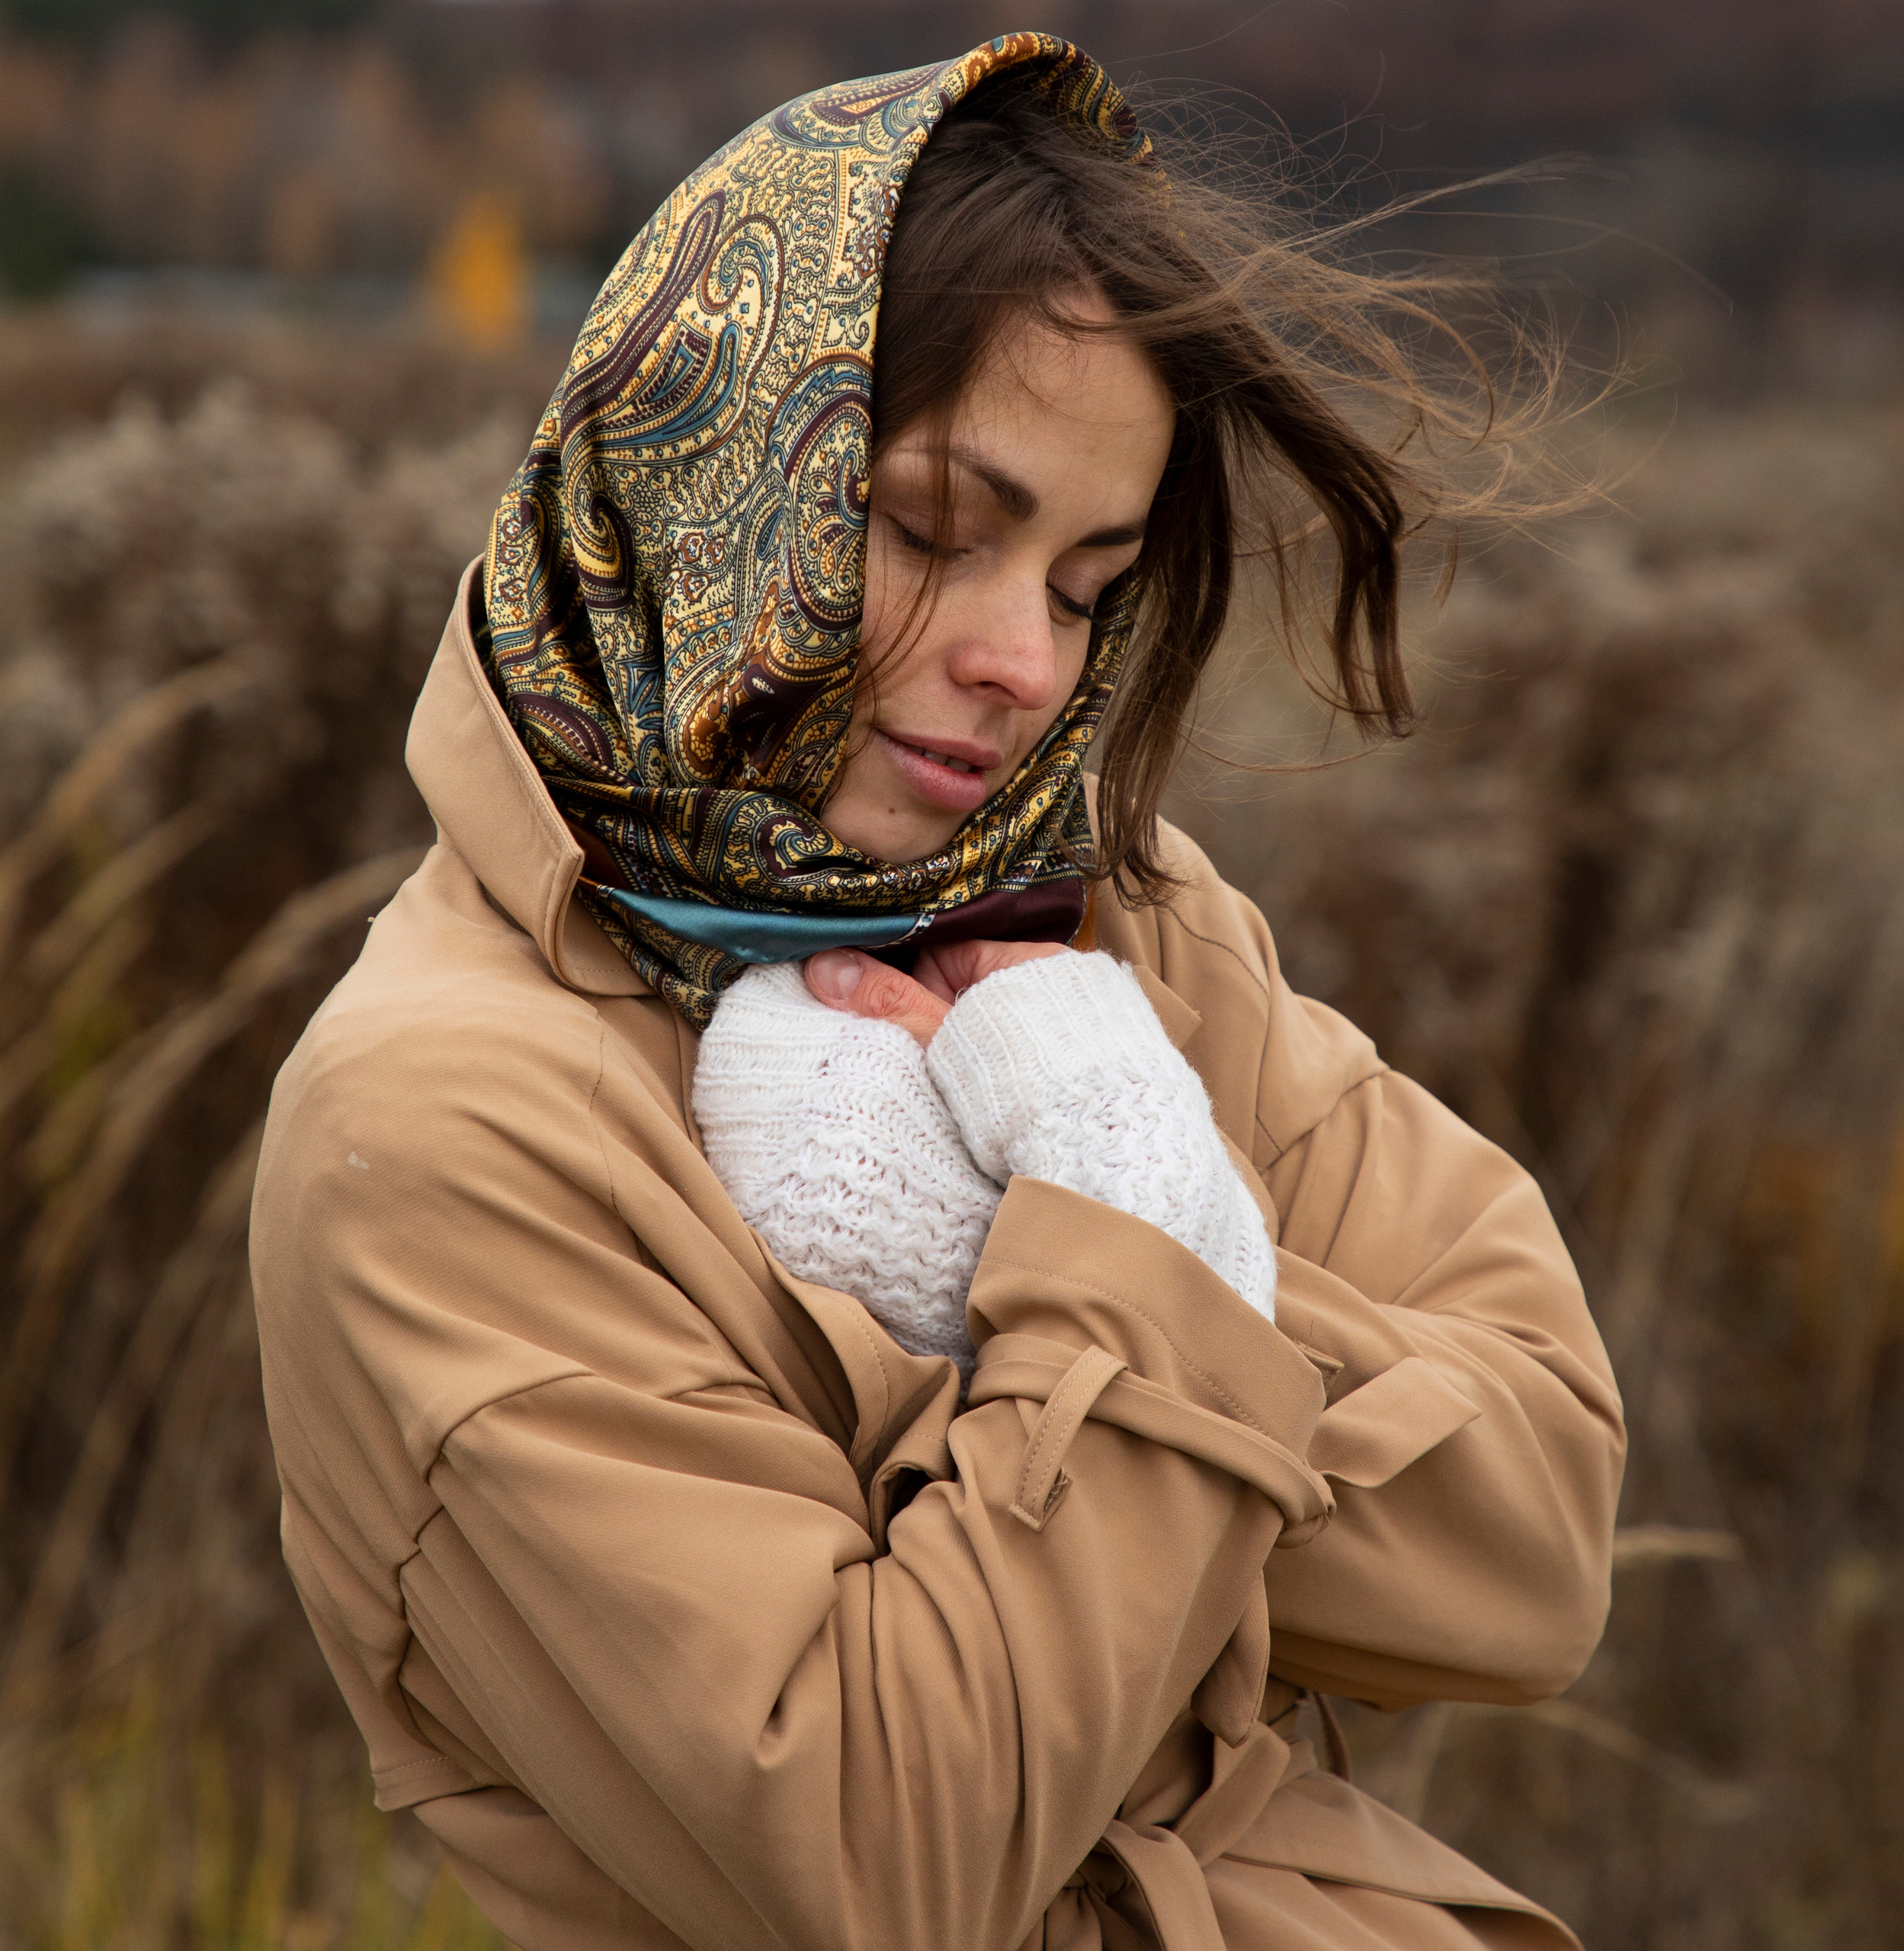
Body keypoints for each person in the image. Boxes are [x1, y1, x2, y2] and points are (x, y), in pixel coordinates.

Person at [251, 34, 1624, 1951]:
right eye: (923, 529)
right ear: (710, 467)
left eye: (1082, 583)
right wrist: (1119, 1218)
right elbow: (887, 1846)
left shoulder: (1108, 932)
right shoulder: (438, 1123)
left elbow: (1537, 1535)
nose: (1019, 665)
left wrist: (1018, 1238)